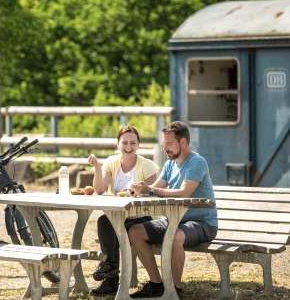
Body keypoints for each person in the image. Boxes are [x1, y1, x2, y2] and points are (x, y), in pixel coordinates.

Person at [128, 121, 218, 299]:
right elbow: (155, 189)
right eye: (164, 144)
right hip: (174, 221)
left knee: (175, 236)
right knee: (135, 231)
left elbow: (184, 193)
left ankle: (174, 290)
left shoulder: (197, 162)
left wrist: (151, 190)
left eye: (169, 144)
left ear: (183, 142)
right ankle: (156, 284)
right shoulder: (170, 164)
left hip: (202, 223)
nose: (165, 148)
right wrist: (139, 191)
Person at [87, 125, 159, 296]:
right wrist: (97, 166)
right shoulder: (112, 162)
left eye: (132, 143)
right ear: (117, 144)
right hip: (117, 217)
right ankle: (111, 272)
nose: (128, 147)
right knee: (104, 220)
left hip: (140, 218)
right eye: (124, 142)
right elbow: (100, 189)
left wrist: (141, 191)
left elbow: (156, 192)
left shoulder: (147, 165)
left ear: (138, 144)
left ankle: (110, 275)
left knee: (111, 224)